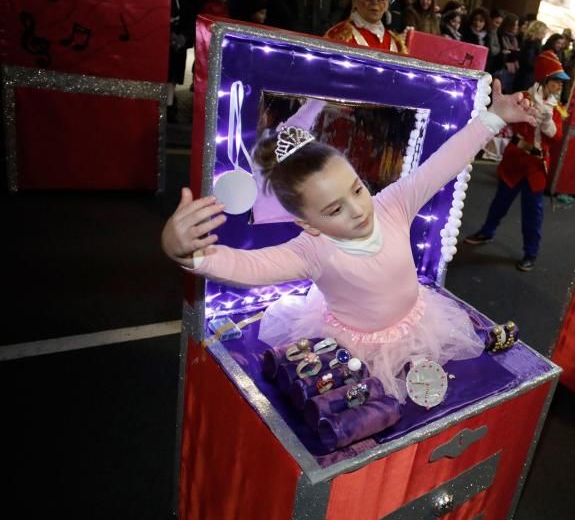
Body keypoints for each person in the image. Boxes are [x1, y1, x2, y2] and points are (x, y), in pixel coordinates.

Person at [160, 81, 536, 401]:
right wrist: (191, 254)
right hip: (360, 345)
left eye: (357, 189)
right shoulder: (312, 251)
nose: (358, 209)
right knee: (372, 401)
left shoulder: (392, 205)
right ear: (308, 223)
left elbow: (443, 163)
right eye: (334, 210)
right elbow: (252, 266)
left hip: (420, 319)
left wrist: (494, 118)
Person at [464, 51, 569, 271]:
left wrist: (549, 124)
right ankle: (487, 231)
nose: (560, 87)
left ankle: (531, 252)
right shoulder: (523, 97)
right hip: (516, 161)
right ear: (545, 79)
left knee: (533, 213)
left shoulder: (555, 109)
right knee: (500, 202)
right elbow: (510, 123)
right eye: (557, 82)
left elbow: (557, 137)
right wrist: (527, 118)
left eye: (561, 83)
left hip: (536, 167)